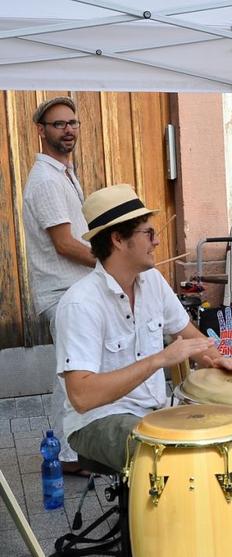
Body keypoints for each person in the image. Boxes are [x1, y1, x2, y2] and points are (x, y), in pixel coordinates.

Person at [57, 185, 232, 557]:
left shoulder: (152, 282)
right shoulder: (80, 303)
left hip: (156, 412)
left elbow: (190, 336)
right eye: (148, 233)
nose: (157, 241)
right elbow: (82, 396)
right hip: (98, 420)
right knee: (179, 453)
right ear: (118, 240)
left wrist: (217, 359)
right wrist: (159, 359)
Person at [22, 96, 95, 476]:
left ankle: (73, 449)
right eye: (58, 124)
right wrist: (110, 262)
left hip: (74, 290)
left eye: (72, 123)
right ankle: (67, 456)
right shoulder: (47, 180)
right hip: (63, 293)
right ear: (41, 131)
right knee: (72, 375)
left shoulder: (62, 173)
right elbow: (65, 244)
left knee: (75, 372)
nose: (68, 130)